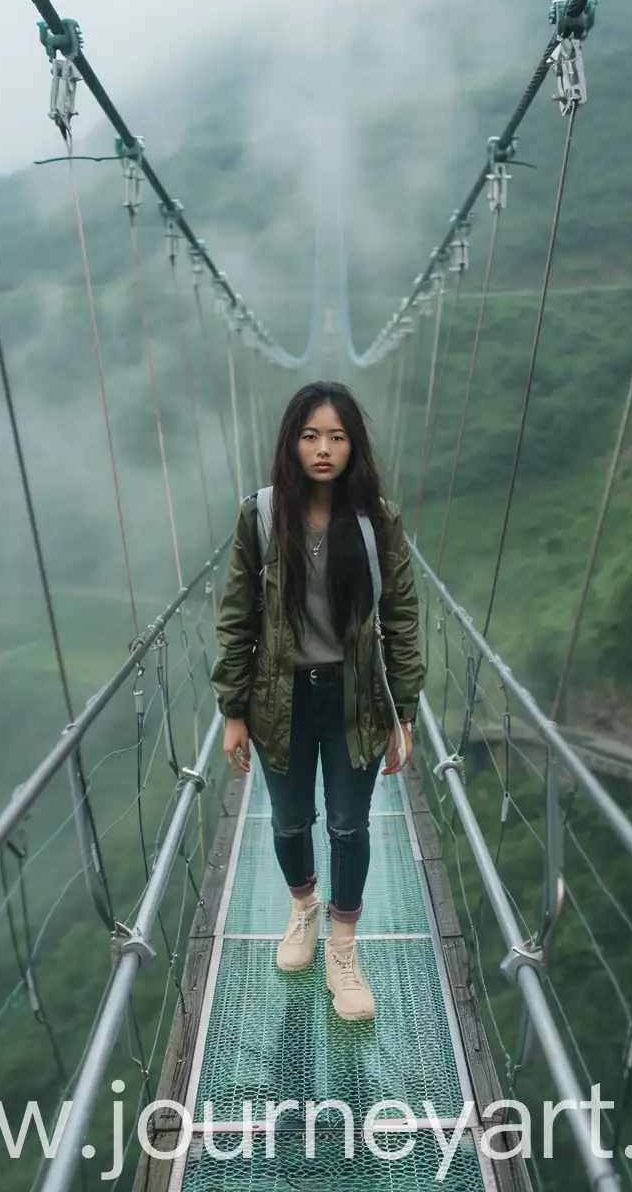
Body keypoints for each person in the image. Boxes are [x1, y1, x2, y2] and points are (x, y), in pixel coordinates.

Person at [210, 381, 425, 1024]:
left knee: (349, 825)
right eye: (310, 436)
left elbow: (403, 615)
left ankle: (343, 948)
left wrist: (403, 712)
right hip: (279, 700)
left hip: (354, 699)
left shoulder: (378, 521)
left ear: (353, 443)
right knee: (288, 822)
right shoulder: (258, 516)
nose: (323, 449)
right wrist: (232, 709)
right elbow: (235, 616)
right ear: (291, 443)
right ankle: (303, 908)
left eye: (336, 436)